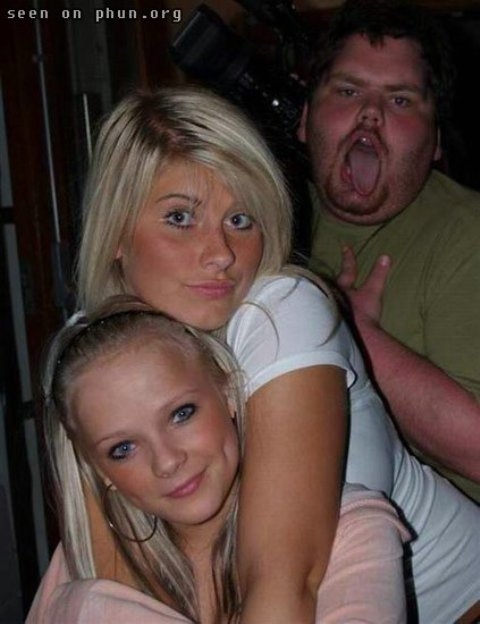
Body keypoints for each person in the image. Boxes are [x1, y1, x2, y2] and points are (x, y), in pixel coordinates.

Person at [72, 86, 480, 622]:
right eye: (181, 217)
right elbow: (113, 582)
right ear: (117, 233)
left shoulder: (282, 310)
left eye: (240, 220)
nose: (221, 253)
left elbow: (286, 582)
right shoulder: (94, 356)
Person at [27, 300, 409, 623]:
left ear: (228, 394)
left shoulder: (351, 528)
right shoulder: (83, 560)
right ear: (99, 471)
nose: (167, 461)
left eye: (181, 414)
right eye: (123, 448)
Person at [297, 0, 480, 502]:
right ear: (305, 118)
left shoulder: (466, 234)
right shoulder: (261, 217)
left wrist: (351, 335)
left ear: (436, 141)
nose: (370, 113)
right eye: (348, 91)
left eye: (400, 100)